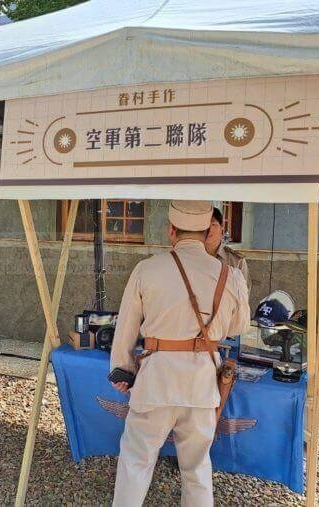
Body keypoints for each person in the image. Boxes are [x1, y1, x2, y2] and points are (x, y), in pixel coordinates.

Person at [110, 200, 251, 507]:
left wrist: (122, 368)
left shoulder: (147, 269)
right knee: (197, 469)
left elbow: (126, 325)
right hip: (202, 383)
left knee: (136, 462)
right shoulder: (230, 275)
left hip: (156, 380)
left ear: (171, 231)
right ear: (207, 231)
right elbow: (238, 326)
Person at [206, 206, 250, 290]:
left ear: (221, 226)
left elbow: (244, 292)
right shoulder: (192, 256)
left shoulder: (236, 261)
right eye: (205, 225)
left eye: (213, 224)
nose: (209, 229)